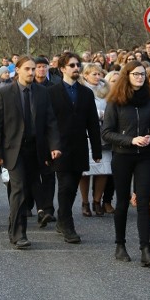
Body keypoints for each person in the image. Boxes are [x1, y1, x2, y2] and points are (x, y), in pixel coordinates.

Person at [0, 56, 62, 249]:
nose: (32, 72)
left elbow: (50, 121)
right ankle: (19, 232)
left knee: (29, 188)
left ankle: (14, 226)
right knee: (19, 188)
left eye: (34, 69)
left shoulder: (42, 93)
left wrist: (54, 146)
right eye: (28, 69)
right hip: (14, 150)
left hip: (35, 148)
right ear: (18, 70)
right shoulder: (5, 93)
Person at [101, 61, 150, 265]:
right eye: (136, 74)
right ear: (127, 76)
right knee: (122, 202)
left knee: (144, 201)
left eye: (143, 74)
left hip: (145, 156)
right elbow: (107, 133)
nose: (140, 77)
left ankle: (145, 249)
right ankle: (120, 245)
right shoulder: (116, 101)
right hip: (122, 156)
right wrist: (130, 140)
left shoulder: (149, 101)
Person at [48, 52, 102, 243]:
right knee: (66, 185)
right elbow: (48, 122)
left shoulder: (86, 93)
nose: (76, 68)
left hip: (79, 147)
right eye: (71, 65)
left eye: (77, 65)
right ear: (62, 68)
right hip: (59, 147)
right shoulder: (52, 92)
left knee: (72, 188)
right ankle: (67, 223)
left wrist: (97, 151)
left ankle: (62, 217)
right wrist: (48, 147)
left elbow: (93, 123)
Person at [78, 63, 111, 217]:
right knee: (85, 170)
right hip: (85, 133)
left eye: (99, 74)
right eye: (94, 74)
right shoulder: (80, 90)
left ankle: (97, 200)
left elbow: (112, 107)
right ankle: (85, 202)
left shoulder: (106, 89)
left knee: (103, 169)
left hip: (103, 133)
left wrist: (107, 115)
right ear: (85, 75)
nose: (98, 77)